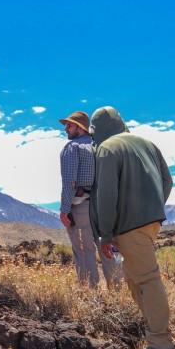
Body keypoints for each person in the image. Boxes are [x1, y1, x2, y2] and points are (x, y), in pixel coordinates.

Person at [90, 106, 175, 349]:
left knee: (147, 279)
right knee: (133, 277)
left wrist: (106, 233)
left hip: (128, 226)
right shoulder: (147, 143)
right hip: (150, 222)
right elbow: (167, 181)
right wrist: (152, 207)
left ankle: (161, 345)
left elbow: (106, 195)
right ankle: (155, 330)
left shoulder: (107, 149)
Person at [58, 111, 118, 288]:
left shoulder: (72, 148)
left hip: (81, 206)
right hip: (102, 206)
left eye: (69, 125)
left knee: (84, 250)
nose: (66, 129)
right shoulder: (99, 147)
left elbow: (70, 182)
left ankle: (90, 294)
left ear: (80, 127)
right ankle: (117, 290)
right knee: (106, 247)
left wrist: (64, 209)